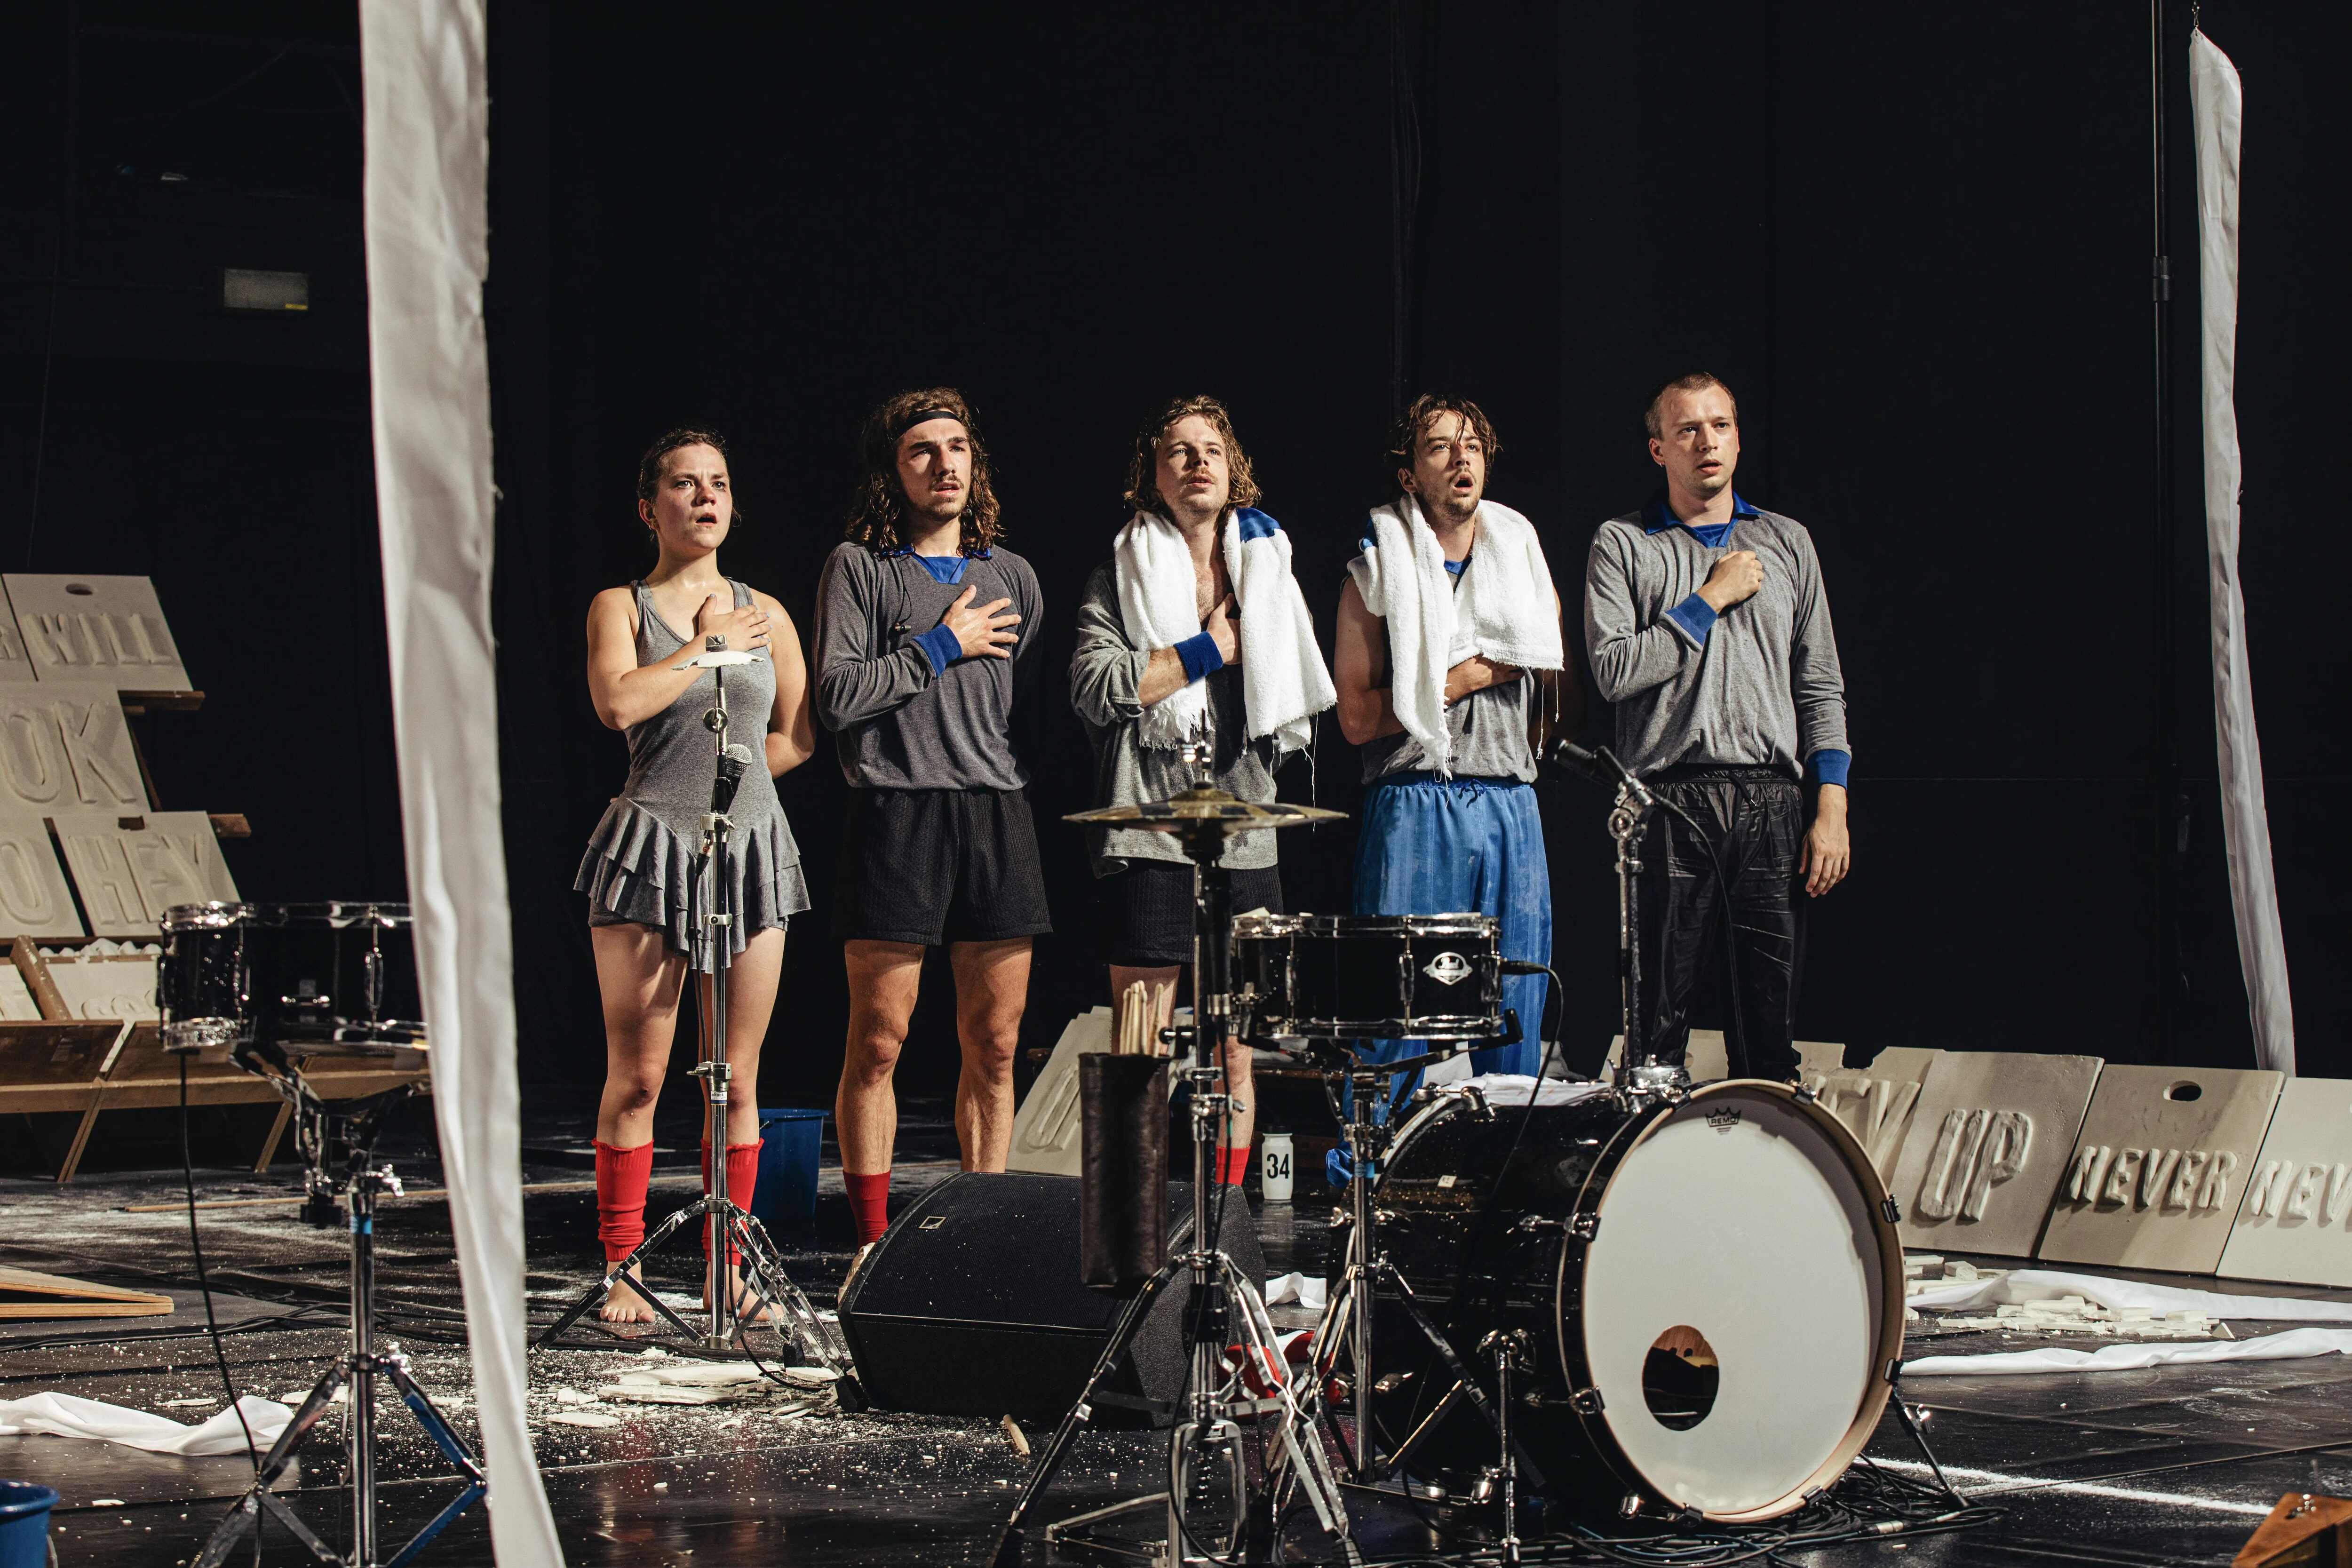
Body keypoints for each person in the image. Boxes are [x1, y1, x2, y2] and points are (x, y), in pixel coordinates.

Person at [578, 428, 817, 1323]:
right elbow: (618, 702)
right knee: (640, 1076)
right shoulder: (621, 605)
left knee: (737, 1076)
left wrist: (741, 788)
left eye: (718, 482)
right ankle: (623, 1263)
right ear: (652, 508)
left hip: (748, 846)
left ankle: (730, 1268)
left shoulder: (771, 612)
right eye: (684, 484)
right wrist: (705, 647)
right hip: (650, 845)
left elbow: (794, 736)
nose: (705, 496)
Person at [1070, 395, 1336, 1188]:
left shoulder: (1267, 567)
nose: (1197, 461)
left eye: (1211, 448)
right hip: (1149, 824)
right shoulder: (1120, 571)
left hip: (1246, 825)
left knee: (1236, 1041)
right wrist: (1207, 646)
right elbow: (1094, 685)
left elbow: (1293, 680)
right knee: (1141, 1036)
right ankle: (1139, 1228)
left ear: (1233, 467)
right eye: (1178, 451)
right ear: (1152, 476)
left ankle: (1231, 1224)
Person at [814, 388, 1048, 1259]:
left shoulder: (1015, 575)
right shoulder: (861, 567)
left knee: (994, 1044)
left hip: (994, 811)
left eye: (958, 447)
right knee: (879, 1041)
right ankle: (873, 1243)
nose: (945, 464)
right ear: (894, 470)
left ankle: (981, 1232)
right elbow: (838, 697)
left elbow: (1002, 702)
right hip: (897, 809)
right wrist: (940, 645)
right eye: (922, 451)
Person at [1582, 371, 1851, 1082]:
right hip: (1667, 799)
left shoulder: (1787, 542)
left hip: (1771, 801)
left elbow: (1819, 682)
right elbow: (1613, 670)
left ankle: (1763, 1186)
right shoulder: (1624, 543)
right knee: (1655, 1035)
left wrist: (1832, 805)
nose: (1708, 442)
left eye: (1721, 425)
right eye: (1689, 429)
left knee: (1769, 1036)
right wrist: (1709, 597)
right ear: (1658, 448)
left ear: (1738, 437)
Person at [1334, 395, 1574, 1111]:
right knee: (1394, 1008)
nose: (1461, 457)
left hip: (1508, 800)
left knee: (1518, 1004)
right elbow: (1353, 718)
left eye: (1471, 444)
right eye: (1439, 446)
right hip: (1414, 803)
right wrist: (1469, 675)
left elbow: (1556, 681)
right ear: (1409, 475)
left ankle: (1508, 1179)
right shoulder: (1373, 576)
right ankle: (1367, 1187)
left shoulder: (1524, 566)